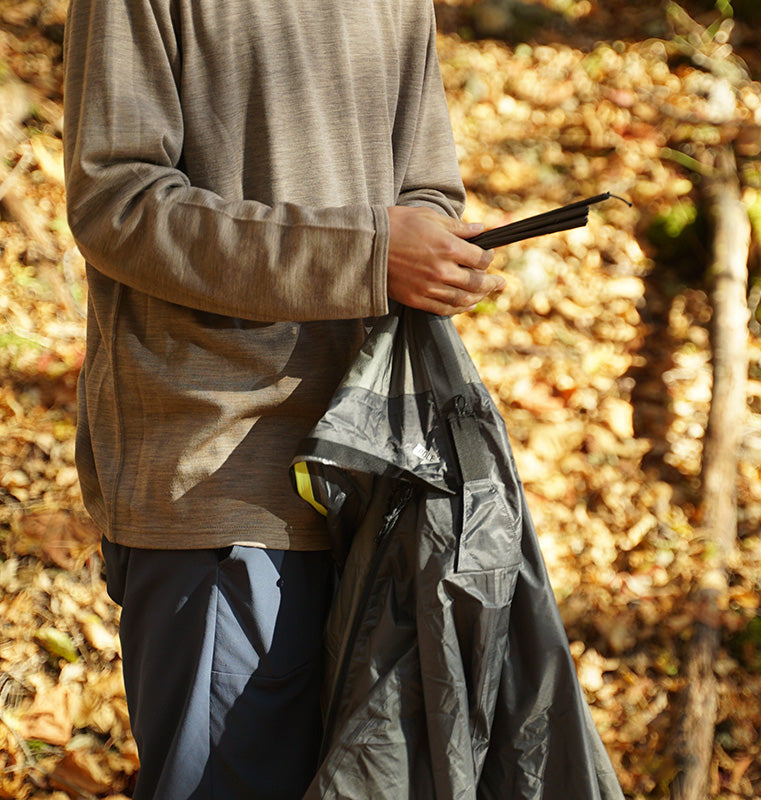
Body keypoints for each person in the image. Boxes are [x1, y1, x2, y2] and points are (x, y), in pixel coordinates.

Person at [62, 1, 503, 798]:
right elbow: (117, 202)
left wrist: (434, 251)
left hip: (377, 480)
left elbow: (425, 186)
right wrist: (368, 255)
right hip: (219, 479)